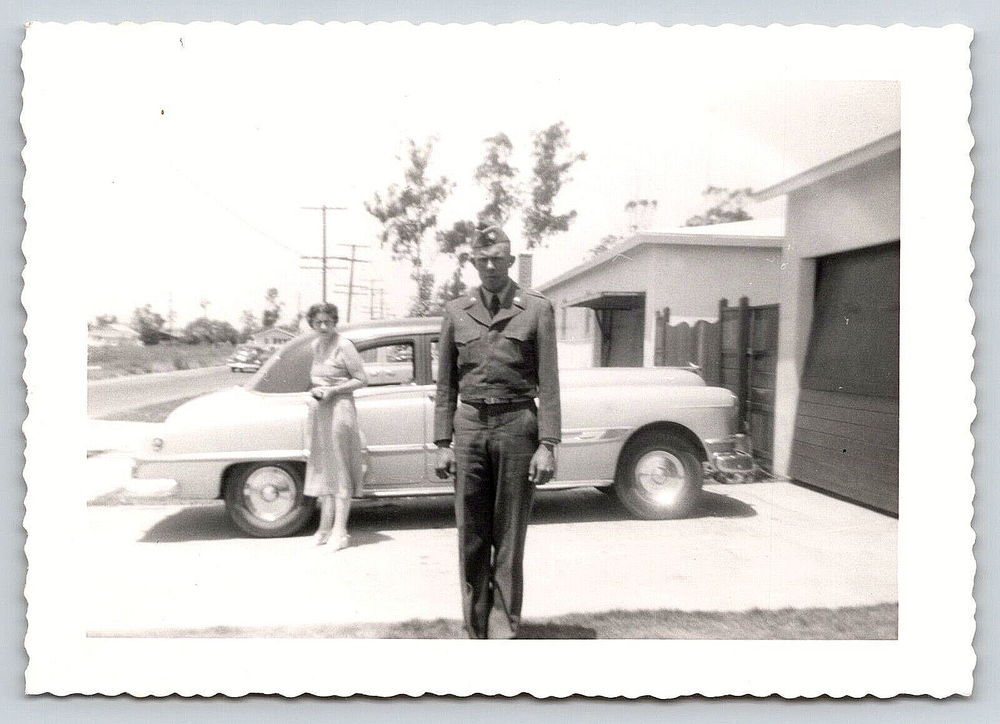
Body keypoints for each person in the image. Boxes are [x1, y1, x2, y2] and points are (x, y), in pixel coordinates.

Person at [434, 223, 561, 639]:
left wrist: (548, 444)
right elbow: (446, 385)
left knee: (509, 533)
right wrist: (441, 442)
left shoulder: (537, 309)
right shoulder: (456, 311)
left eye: (497, 259)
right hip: (469, 427)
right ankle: (475, 623)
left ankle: (504, 623)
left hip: (516, 425)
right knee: (471, 531)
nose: (490, 266)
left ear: (510, 261)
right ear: (473, 263)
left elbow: (550, 381)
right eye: (482, 259)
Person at [304, 302, 368, 550]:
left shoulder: (344, 345)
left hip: (340, 410)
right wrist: (317, 392)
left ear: (334, 322)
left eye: (327, 322)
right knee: (323, 468)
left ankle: (340, 532)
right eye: (318, 322)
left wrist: (333, 390)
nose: (323, 326)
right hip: (321, 411)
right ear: (312, 324)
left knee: (339, 468)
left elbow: (361, 379)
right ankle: (324, 527)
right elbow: (318, 378)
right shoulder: (315, 345)